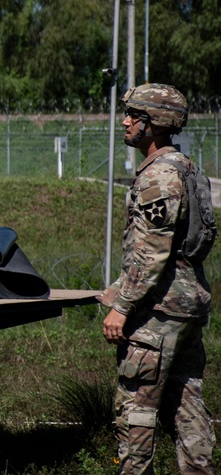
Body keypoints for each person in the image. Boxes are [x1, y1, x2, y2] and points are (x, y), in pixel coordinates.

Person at [99, 83, 216, 475]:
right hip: (185, 306)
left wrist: (122, 305)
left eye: (136, 116)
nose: (126, 122)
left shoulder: (159, 178)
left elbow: (151, 252)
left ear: (158, 124)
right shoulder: (184, 167)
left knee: (136, 409)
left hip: (157, 312)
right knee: (188, 408)